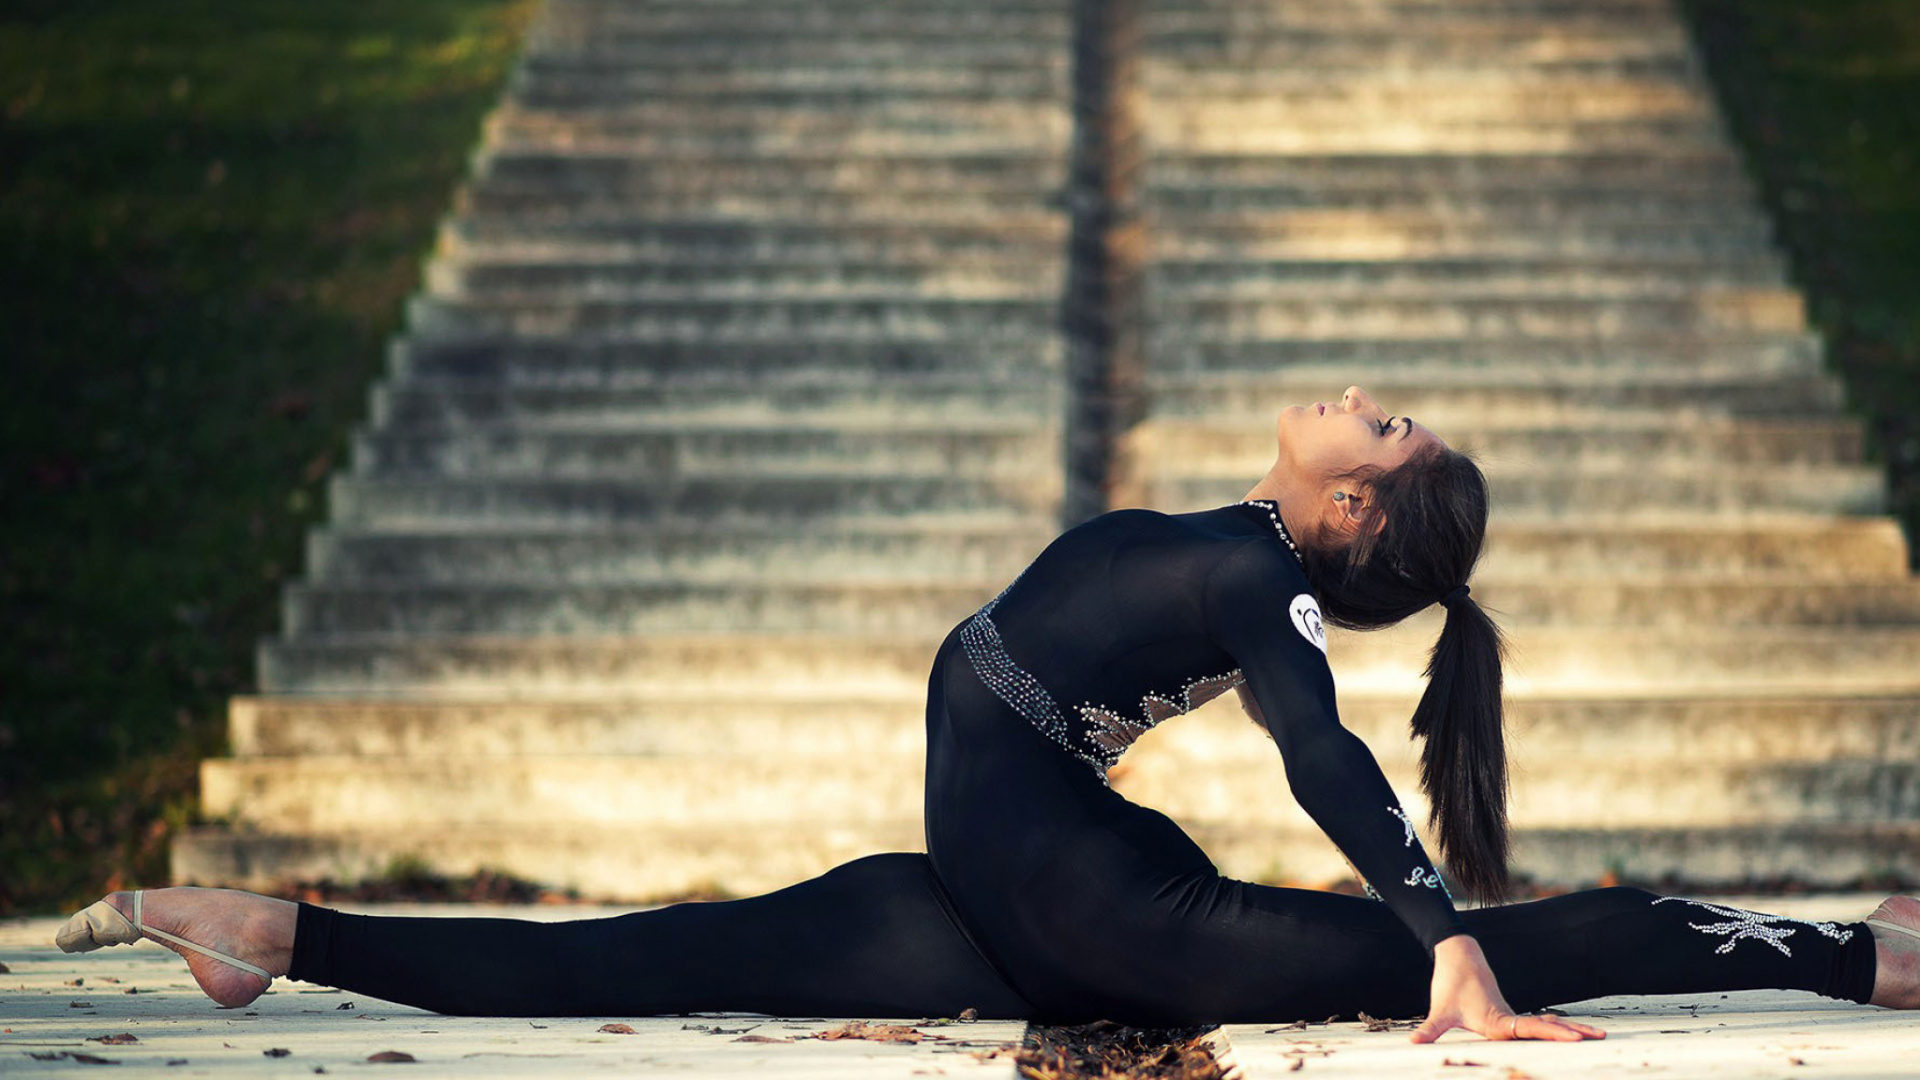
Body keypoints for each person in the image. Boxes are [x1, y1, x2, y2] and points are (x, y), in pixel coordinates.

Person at [57, 386, 1920, 1043]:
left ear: (1356, 506)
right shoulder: (1241, 546)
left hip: (1109, 916)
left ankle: (1863, 957)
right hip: (1016, 899)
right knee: (636, 952)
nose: (1367, 394)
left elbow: (1321, 751)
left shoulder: (1264, 585)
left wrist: (1440, 938)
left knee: (1534, 942)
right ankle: (277, 937)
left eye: (1390, 424)